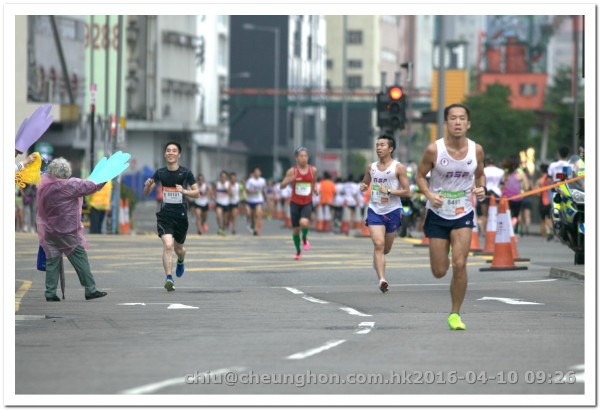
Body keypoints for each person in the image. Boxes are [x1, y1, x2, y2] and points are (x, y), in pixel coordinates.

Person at [415, 103, 486, 331]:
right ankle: (444, 250)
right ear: (445, 123)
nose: (458, 122)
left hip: (462, 211)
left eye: (462, 118)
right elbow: (419, 176)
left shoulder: (476, 150)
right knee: (439, 271)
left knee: (460, 264)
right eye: (453, 118)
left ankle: (455, 314)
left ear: (468, 124)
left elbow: (480, 175)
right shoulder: (433, 150)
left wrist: (481, 188)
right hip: (437, 213)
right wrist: (429, 194)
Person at [36, 157, 108, 301]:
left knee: (52, 261)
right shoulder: (69, 185)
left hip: (49, 230)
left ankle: (50, 293)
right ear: (66, 172)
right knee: (80, 258)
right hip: (67, 231)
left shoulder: (45, 187)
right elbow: (92, 186)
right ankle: (90, 289)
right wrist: (108, 175)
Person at [143, 142, 199, 292]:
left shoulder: (186, 173)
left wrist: (184, 191)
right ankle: (169, 278)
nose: (171, 153)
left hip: (180, 216)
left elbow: (197, 193)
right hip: (165, 215)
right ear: (165, 154)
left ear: (179, 154)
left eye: (174, 151)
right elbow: (146, 193)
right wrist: (147, 185)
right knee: (168, 245)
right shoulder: (160, 173)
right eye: (168, 150)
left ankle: (181, 259)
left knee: (178, 249)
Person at [359, 135, 410, 293]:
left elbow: (407, 191)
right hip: (375, 210)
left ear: (391, 149)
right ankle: (382, 279)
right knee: (378, 244)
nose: (378, 148)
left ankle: (378, 258)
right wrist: (363, 186)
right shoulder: (371, 167)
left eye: (382, 145)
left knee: (386, 249)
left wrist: (388, 191)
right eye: (377, 145)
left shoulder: (398, 168)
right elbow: (365, 182)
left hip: (392, 210)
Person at [280, 146, 318, 260]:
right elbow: (282, 186)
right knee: (296, 230)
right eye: (301, 156)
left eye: (305, 156)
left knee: (304, 222)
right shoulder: (292, 171)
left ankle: (305, 238)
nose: (303, 158)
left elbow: (313, 181)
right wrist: (288, 180)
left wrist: (315, 189)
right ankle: (298, 251)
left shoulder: (313, 170)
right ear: (296, 158)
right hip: (295, 203)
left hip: (307, 202)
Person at [501, 155, 529, 231]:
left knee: (505, 215)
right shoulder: (521, 174)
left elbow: (502, 186)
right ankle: (512, 228)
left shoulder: (505, 175)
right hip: (517, 199)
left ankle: (506, 228)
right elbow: (526, 187)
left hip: (506, 199)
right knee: (515, 216)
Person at [480, 157, 503, 233]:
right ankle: (495, 231)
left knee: (484, 214)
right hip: (496, 193)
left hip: (485, 192)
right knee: (496, 213)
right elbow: (502, 183)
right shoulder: (501, 171)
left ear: (486, 163)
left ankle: (483, 231)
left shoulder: (483, 170)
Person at [245, 167, 267, 236]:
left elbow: (264, 189)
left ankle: (257, 230)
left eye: (258, 172)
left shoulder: (262, 180)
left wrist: (266, 196)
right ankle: (252, 224)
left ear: (260, 173)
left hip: (259, 200)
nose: (257, 173)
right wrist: (253, 191)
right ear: (253, 173)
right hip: (250, 200)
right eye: (255, 172)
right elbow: (247, 190)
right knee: (251, 215)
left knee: (258, 214)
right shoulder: (250, 181)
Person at [534, 163, 554, 241]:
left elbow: (537, 193)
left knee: (542, 220)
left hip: (542, 202)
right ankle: (550, 231)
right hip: (551, 202)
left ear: (541, 171)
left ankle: (544, 237)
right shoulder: (551, 180)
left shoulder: (539, 181)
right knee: (550, 218)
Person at [213, 170, 231, 236]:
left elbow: (230, 193)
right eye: (222, 177)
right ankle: (220, 227)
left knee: (225, 219)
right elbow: (213, 192)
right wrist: (214, 197)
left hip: (226, 203)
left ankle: (223, 228)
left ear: (226, 177)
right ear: (220, 177)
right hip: (219, 202)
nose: (223, 178)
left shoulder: (228, 184)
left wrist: (226, 190)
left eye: (224, 177)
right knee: (218, 215)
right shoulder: (217, 184)